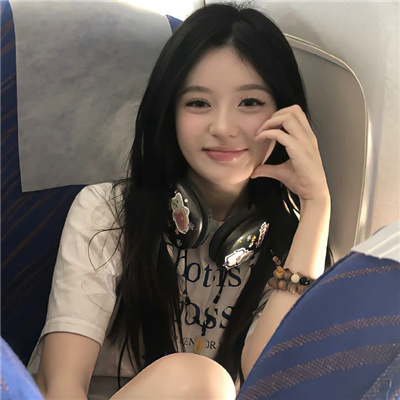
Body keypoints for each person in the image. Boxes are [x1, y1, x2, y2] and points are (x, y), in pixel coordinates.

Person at [28, 3, 331, 399]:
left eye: (250, 103)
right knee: (198, 380)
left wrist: (317, 204)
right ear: (169, 113)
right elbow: (60, 386)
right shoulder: (106, 212)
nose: (223, 127)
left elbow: (272, 382)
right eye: (198, 103)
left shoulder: (297, 245)